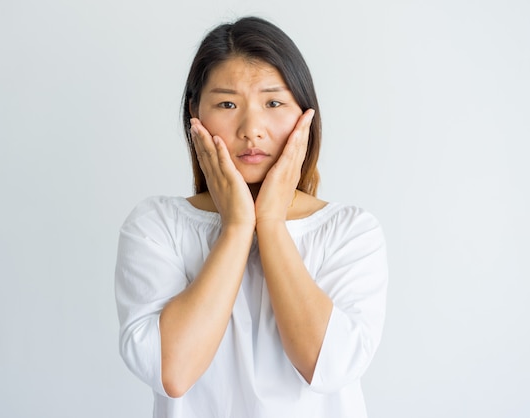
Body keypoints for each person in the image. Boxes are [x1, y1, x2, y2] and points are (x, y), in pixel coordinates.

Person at [115, 16, 388, 418]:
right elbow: (170, 371)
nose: (251, 129)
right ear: (195, 115)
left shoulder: (350, 232)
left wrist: (272, 224)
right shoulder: (156, 226)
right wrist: (237, 228)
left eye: (273, 103)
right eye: (227, 104)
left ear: (304, 115)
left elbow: (327, 368)